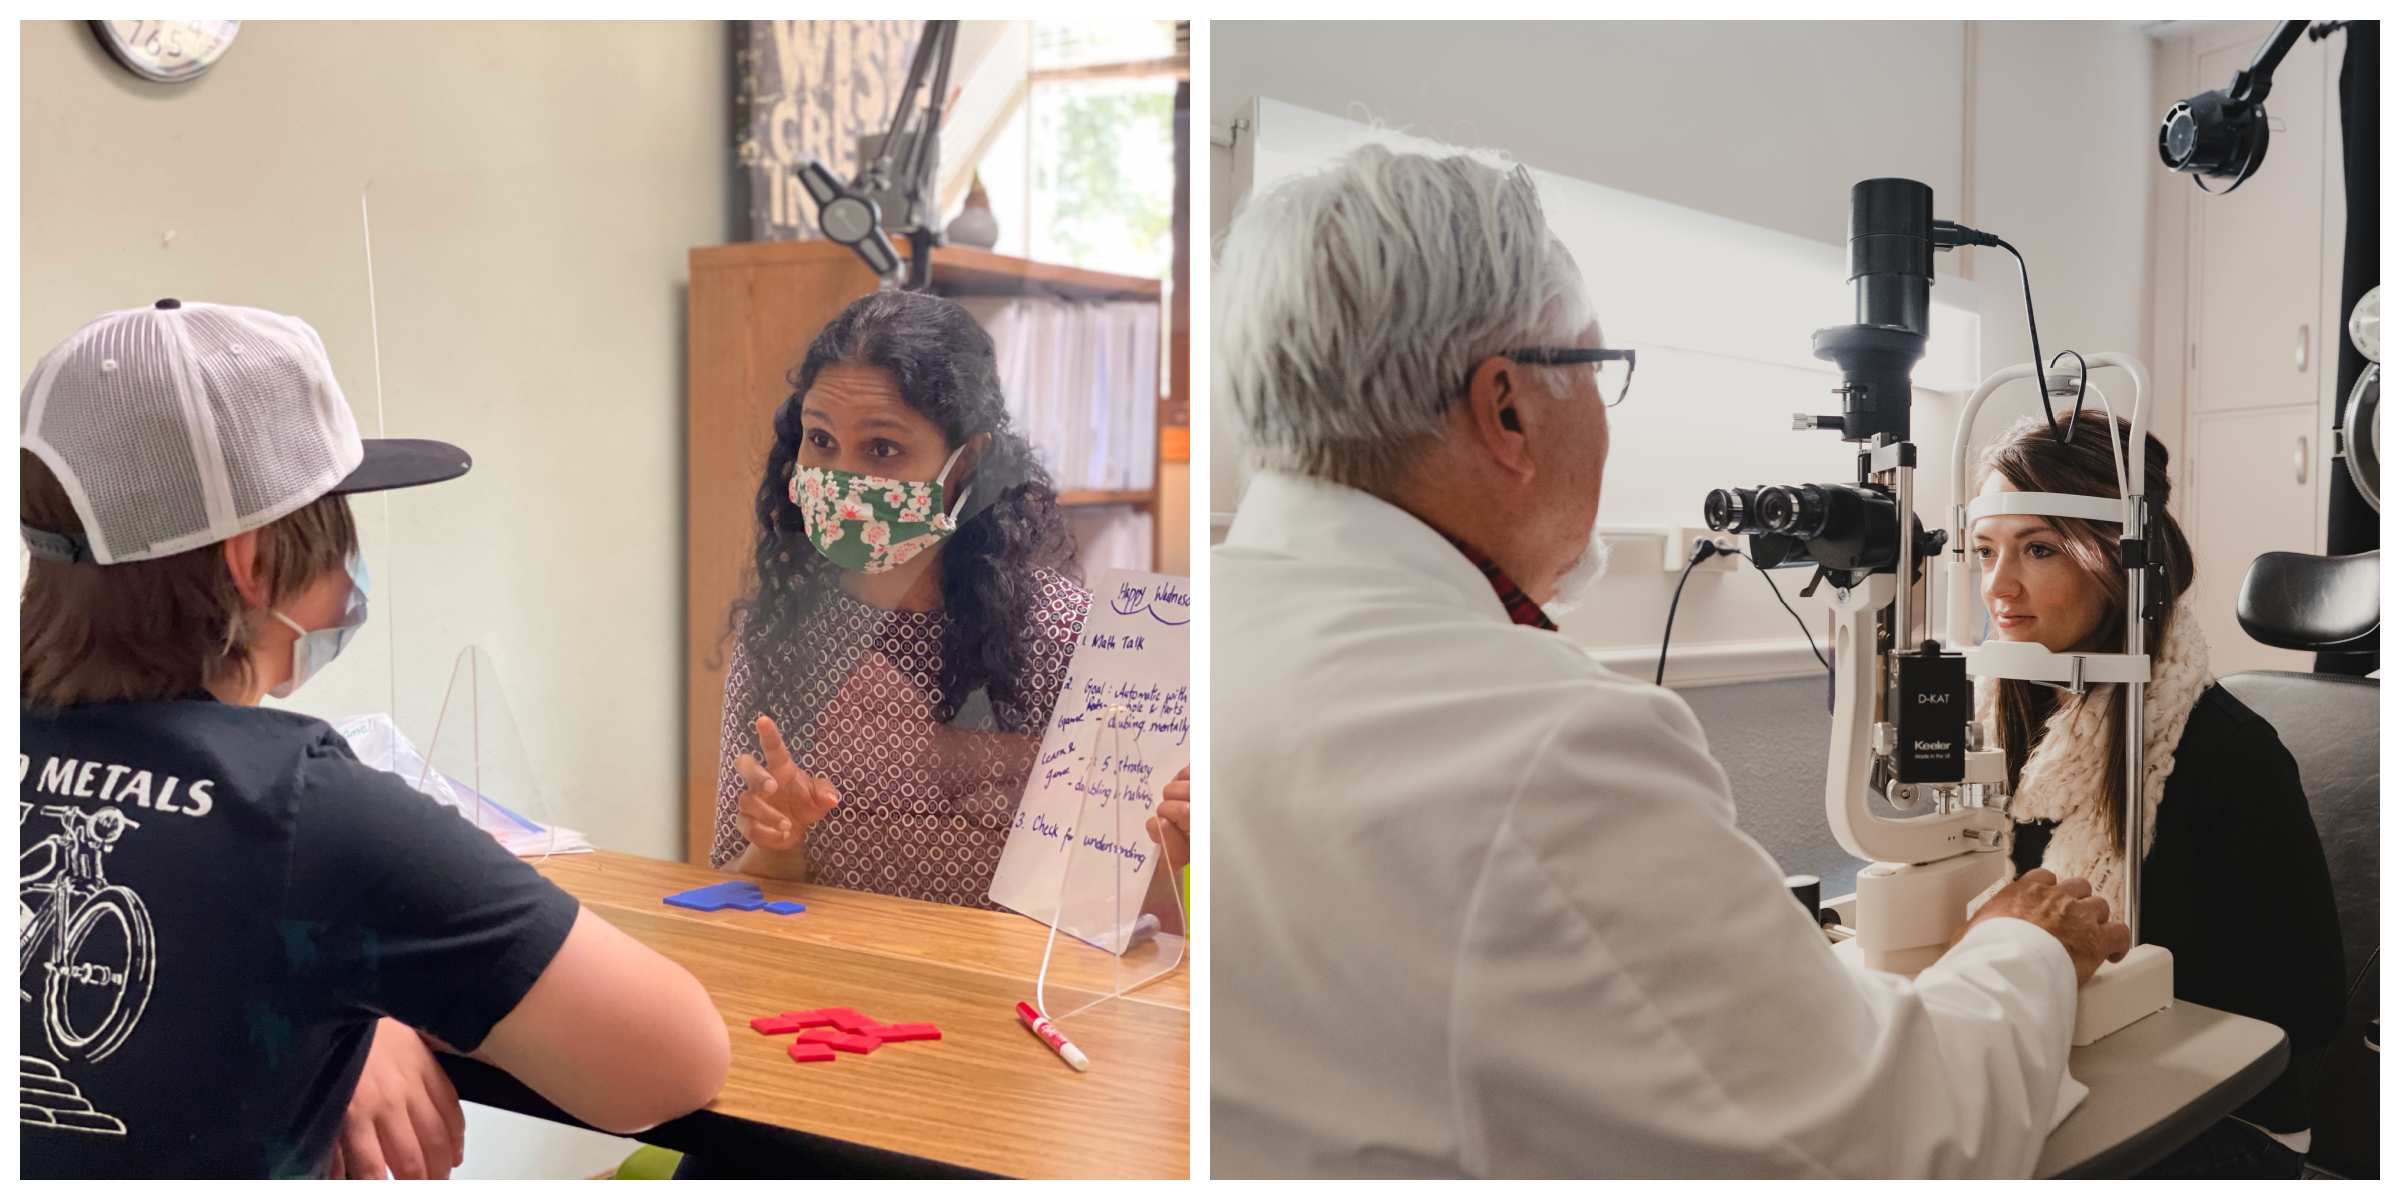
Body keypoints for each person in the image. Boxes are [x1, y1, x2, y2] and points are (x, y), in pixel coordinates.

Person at [1209, 143, 2131, 1178]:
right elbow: (1889, 1142)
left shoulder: (1207, 638)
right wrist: (2025, 944)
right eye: (1599, 372)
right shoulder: (1543, 743)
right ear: (1506, 407)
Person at [19, 301, 728, 1178]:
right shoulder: (304, 810)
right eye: (338, 525)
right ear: (253, 561)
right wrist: (365, 989)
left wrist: (348, 1010)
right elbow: (670, 1065)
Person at [709, 289, 1189, 915]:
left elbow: (1129, 920)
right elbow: (734, 887)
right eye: (821, 442)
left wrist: (1167, 851)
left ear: (969, 461)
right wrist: (778, 843)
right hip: (830, 993)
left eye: (882, 449)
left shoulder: (1068, 640)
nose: (844, 481)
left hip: (998, 1001)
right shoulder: (781, 635)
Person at [1970, 410, 2344, 1177]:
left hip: (2228, 1117)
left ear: (2120, 561)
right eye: (1984, 552)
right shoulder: (2001, 715)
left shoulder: (2225, 754)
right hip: (2065, 1063)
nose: (1998, 586)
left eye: (2038, 549)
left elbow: (2308, 1008)